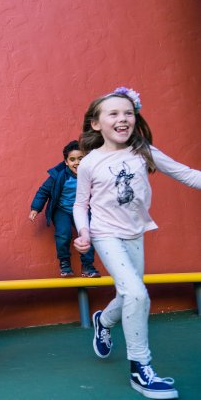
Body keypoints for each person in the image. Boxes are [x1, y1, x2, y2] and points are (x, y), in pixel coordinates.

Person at [73, 87, 200, 400]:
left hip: (135, 231)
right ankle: (140, 368)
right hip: (105, 233)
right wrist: (85, 232)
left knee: (130, 293)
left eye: (128, 112)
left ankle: (103, 320)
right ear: (96, 124)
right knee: (137, 294)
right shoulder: (90, 162)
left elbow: (186, 174)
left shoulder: (144, 151)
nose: (123, 118)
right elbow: (80, 203)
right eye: (113, 113)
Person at [29, 140, 100, 277]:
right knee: (63, 234)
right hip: (63, 210)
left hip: (84, 210)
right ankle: (65, 264)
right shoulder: (59, 176)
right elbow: (43, 191)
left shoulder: (92, 175)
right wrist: (35, 208)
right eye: (72, 159)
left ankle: (87, 266)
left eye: (81, 158)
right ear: (66, 162)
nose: (77, 163)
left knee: (89, 234)